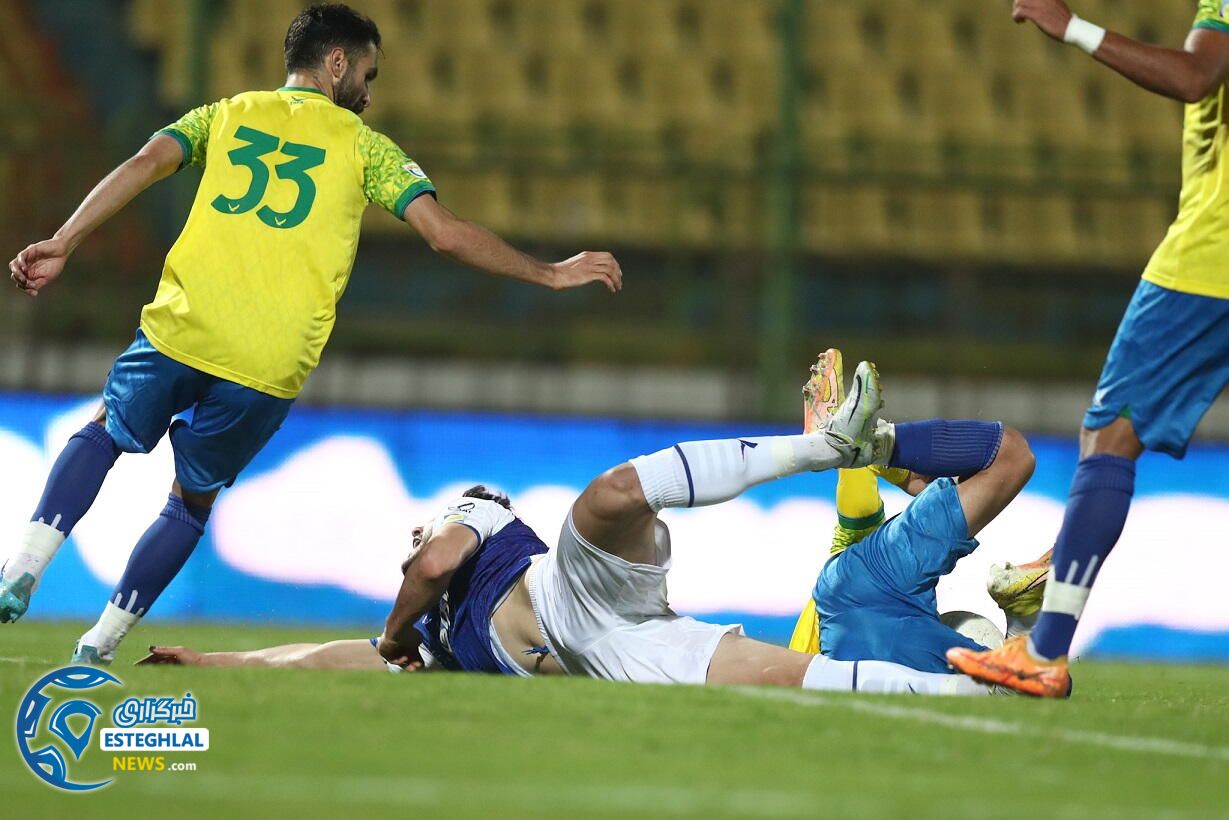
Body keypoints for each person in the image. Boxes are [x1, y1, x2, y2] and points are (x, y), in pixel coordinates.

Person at [1, 4, 622, 665]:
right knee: (191, 500)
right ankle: (99, 644)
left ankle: (24, 567)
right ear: (336, 62)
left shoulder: (226, 114)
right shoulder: (365, 148)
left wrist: (64, 240)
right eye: (367, 75)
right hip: (269, 363)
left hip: (183, 328)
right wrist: (549, 272)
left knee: (105, 430)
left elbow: (144, 162)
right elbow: (444, 235)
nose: (368, 93)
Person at [144, 361, 1031, 697]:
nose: (412, 543)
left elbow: (432, 566)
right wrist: (216, 664)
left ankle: (821, 446)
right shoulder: (439, 649)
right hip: (616, 650)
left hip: (572, 589)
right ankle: (984, 687)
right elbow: (320, 659)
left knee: (611, 494)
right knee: (791, 679)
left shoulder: (472, 516)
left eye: (412, 535)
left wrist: (393, 632)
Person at [948, 0, 1229, 697]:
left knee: (1109, 438)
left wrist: (1071, 26)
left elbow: (1196, 77)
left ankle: (1043, 650)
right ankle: (1056, 580)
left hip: (1209, 265)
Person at [788, 351, 1052, 679]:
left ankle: (858, 448)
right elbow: (857, 522)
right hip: (855, 589)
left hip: (859, 614)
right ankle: (860, 448)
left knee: (1029, 681)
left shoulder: (952, 668)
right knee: (1011, 456)